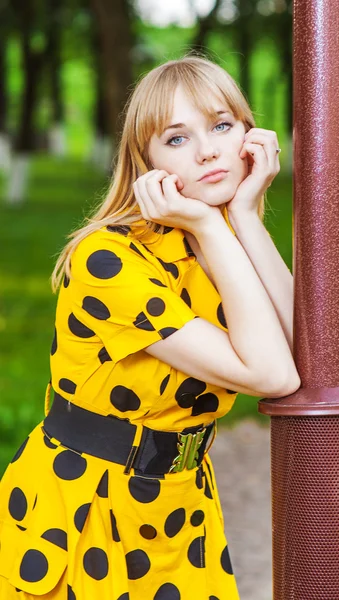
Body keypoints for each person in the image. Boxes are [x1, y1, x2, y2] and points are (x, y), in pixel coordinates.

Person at [0, 53, 300, 599]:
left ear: (250, 137)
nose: (208, 149)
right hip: (87, 509)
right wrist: (212, 223)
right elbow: (274, 376)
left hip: (182, 507)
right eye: (177, 138)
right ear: (147, 165)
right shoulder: (108, 261)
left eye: (221, 125)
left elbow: (308, 354)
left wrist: (246, 217)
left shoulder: (213, 246)